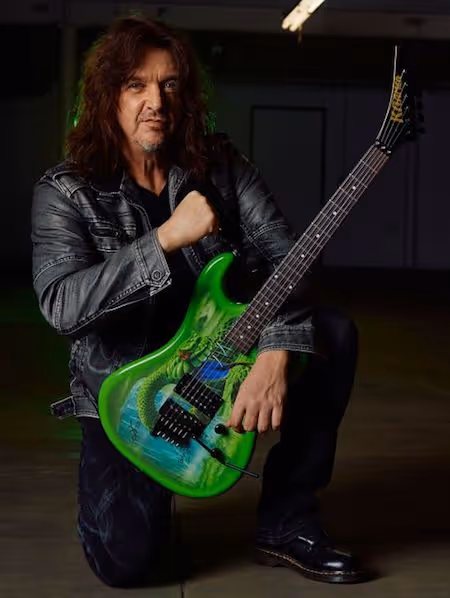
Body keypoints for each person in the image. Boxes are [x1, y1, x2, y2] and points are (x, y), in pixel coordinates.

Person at [31, 15, 368, 588]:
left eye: (169, 84)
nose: (155, 101)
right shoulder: (66, 191)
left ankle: (286, 521)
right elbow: (63, 305)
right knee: (129, 564)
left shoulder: (220, 166)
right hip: (128, 393)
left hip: (217, 362)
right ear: (108, 96)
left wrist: (276, 352)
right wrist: (164, 238)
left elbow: (290, 258)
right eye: (136, 85)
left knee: (331, 332)